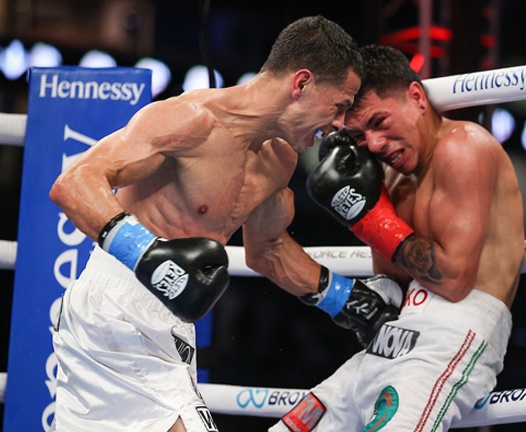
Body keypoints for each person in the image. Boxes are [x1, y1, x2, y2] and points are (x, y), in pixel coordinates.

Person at [48, 15, 385, 432]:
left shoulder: (280, 160)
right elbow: (74, 182)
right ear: (301, 83)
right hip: (116, 307)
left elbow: (269, 251)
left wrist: (348, 300)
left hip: (168, 324)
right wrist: (151, 257)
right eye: (340, 106)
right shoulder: (191, 121)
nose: (339, 125)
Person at [269, 44, 526, 431]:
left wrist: (370, 221)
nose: (373, 144)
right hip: (392, 335)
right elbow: (390, 282)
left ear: (417, 97)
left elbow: (455, 281)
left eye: (379, 121)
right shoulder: (389, 175)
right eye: (359, 135)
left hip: (449, 336)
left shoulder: (463, 148)